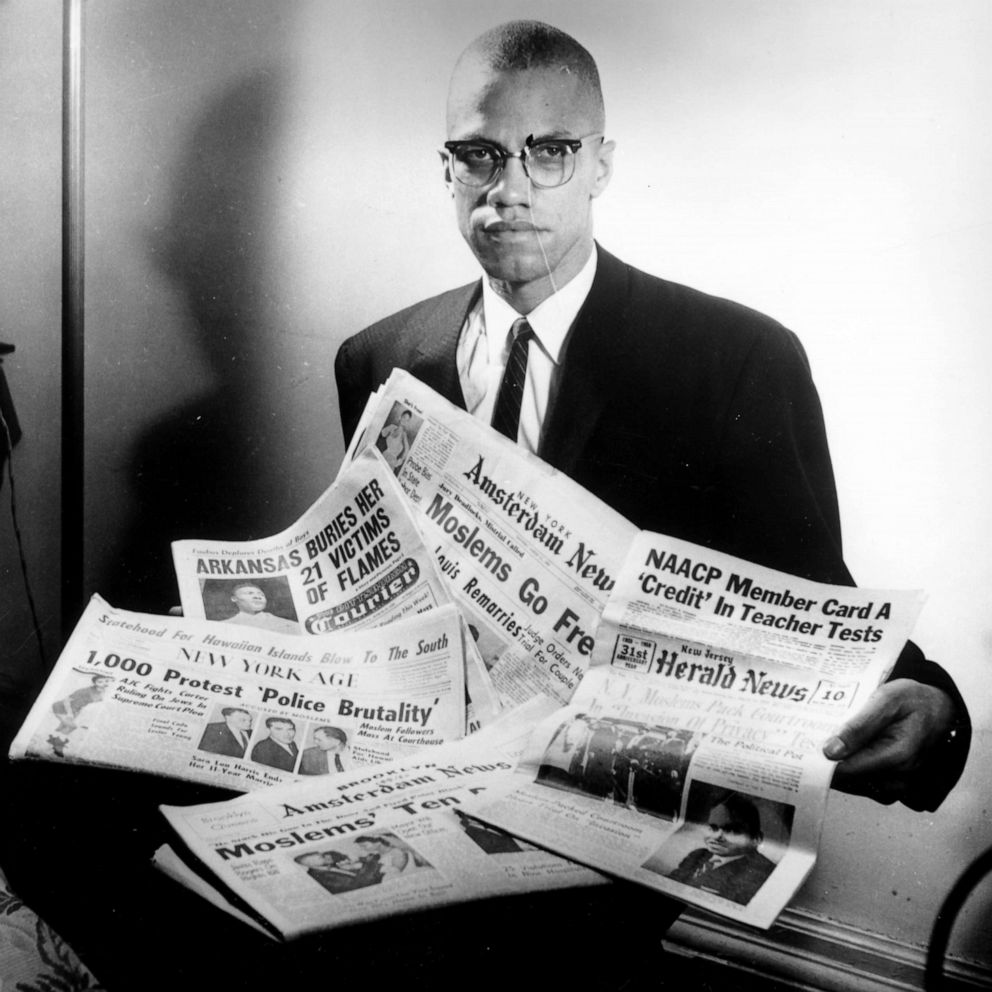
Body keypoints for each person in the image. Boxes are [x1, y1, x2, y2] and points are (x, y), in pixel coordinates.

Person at [335, 19, 969, 812]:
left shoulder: (735, 358)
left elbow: (803, 599)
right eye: (480, 155)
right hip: (423, 781)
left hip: (608, 814)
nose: (511, 188)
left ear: (600, 166)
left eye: (551, 151)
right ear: (448, 168)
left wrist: (935, 708)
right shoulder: (377, 358)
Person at [667, 795, 776, 905]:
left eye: (731, 830)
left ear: (756, 839)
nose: (716, 836)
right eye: (713, 828)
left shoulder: (763, 871)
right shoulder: (698, 854)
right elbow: (672, 882)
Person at [222, 582, 299, 634]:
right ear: (234, 598)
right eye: (249, 593)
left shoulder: (290, 625)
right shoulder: (223, 627)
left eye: (261, 594)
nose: (257, 597)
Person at [294, 850, 382, 895]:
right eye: (318, 858)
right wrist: (369, 864)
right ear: (309, 864)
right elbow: (358, 884)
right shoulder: (319, 877)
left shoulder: (329, 865)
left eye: (321, 855)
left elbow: (351, 866)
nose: (324, 857)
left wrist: (359, 863)